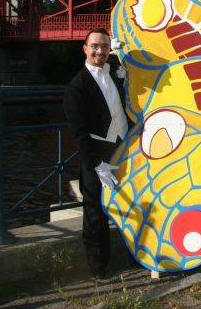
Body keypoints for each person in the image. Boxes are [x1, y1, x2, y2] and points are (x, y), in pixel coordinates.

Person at [63, 28, 129, 279]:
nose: (99, 51)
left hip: (123, 146)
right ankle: (98, 266)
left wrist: (125, 79)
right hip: (96, 152)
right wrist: (97, 164)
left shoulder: (114, 73)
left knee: (131, 199)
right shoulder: (75, 87)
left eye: (104, 47)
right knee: (93, 210)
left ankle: (136, 252)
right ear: (85, 48)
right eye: (94, 47)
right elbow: (78, 134)